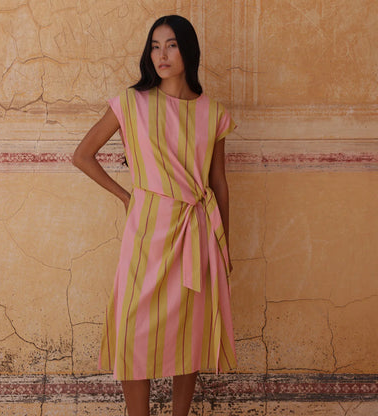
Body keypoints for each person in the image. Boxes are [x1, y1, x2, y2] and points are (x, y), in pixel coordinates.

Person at [73, 14, 236, 416]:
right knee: (133, 329)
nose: (161, 54)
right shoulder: (132, 103)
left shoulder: (213, 113)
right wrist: (127, 198)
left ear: (188, 51)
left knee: (190, 331)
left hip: (197, 233)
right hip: (146, 231)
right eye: (154, 46)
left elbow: (219, 183)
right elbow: (82, 156)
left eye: (172, 45)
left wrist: (224, 246)